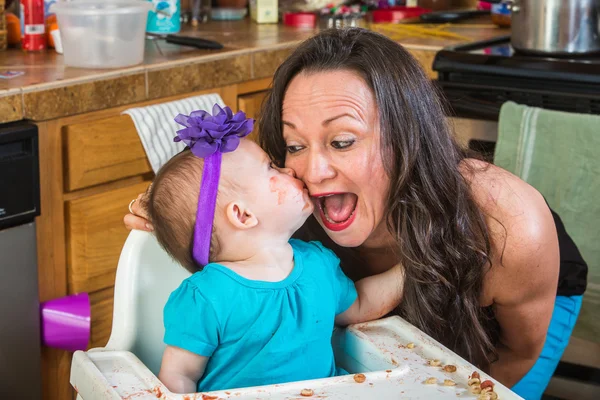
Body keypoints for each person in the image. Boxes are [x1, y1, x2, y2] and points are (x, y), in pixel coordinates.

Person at [125, 29, 587, 399]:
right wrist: (184, 216)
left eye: (342, 141)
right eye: (293, 145)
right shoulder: (284, 199)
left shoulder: (508, 228)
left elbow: (515, 355)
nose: (312, 170)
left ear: (409, 139)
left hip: (515, 299)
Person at [149, 105, 403, 393]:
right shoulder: (205, 298)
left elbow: (359, 306)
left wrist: (409, 272)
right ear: (242, 215)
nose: (289, 168)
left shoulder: (318, 263)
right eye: (271, 167)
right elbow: (178, 377)